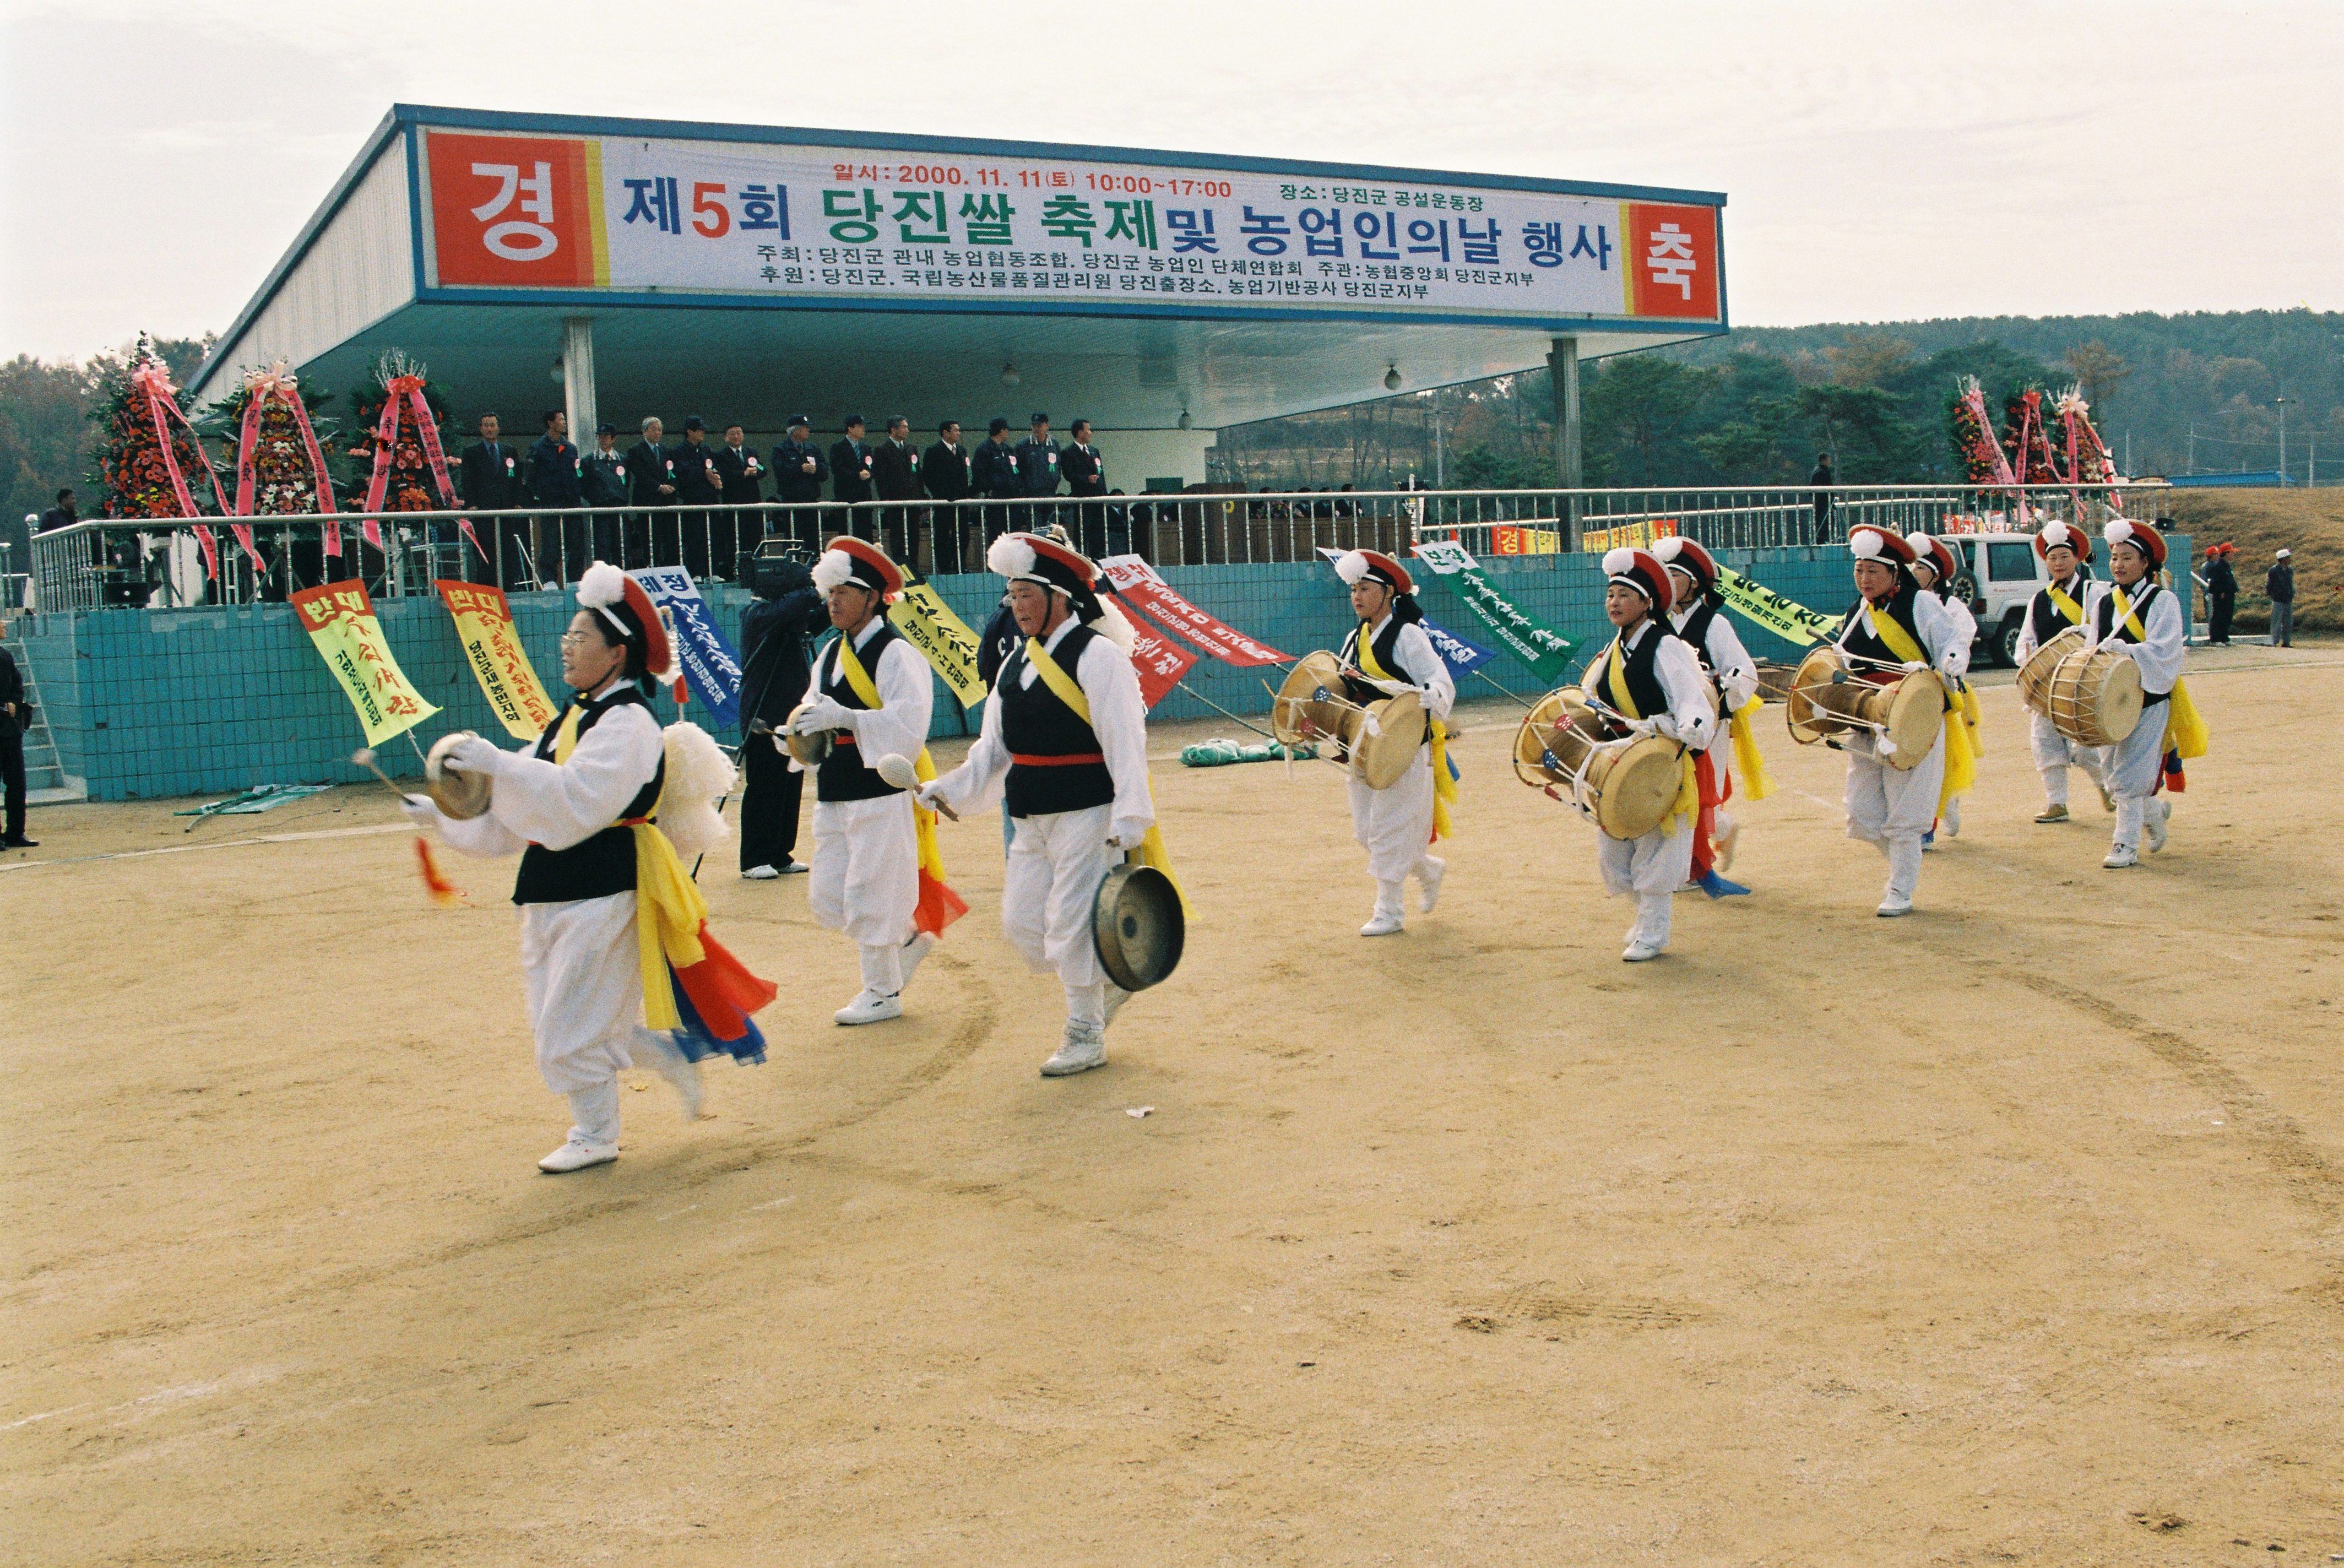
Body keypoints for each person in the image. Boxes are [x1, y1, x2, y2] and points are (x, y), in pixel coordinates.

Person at [403, 562, 777, 1172]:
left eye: (581, 638)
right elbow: (523, 803)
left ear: (617, 653)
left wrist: (499, 763)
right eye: (567, 637)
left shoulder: (628, 723)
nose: (567, 647)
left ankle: (595, 1134)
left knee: (569, 1022)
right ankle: (668, 1060)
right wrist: (447, 811)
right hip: (552, 886)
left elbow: (578, 802)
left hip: (605, 887)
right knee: (564, 1012)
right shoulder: (574, 716)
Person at [919, 532, 1163, 1076]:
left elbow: (1126, 740)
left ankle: (1084, 1033)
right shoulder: (1012, 665)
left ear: (1060, 597)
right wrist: (949, 788)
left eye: (1025, 594)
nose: (1015, 606)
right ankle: (1105, 980)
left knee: (1073, 922)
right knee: (1023, 925)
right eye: (1011, 595)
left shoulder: (1100, 658)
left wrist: (1129, 818)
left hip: (1087, 808)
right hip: (1029, 812)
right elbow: (993, 749)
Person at [791, 536, 967, 1023]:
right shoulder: (828, 654)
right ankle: (909, 937)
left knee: (872, 888)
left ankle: (883, 992)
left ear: (872, 597)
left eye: (843, 592)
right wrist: (795, 732)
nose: (833, 602)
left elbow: (909, 725)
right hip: (834, 786)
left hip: (878, 786)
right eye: (829, 594)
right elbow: (811, 711)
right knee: (829, 892)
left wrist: (847, 716)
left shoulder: (896, 654)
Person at [1574, 549, 1716, 959]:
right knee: (1617, 847)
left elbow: (1693, 702)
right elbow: (1592, 695)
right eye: (1610, 594)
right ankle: (1644, 920)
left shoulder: (1667, 645)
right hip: (1622, 759)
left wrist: (1681, 727)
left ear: (1647, 602)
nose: (1614, 602)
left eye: (1624, 594)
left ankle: (1654, 930)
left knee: (1657, 845)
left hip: (1659, 760)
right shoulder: (1614, 648)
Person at [1327, 549, 1456, 936]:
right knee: (1366, 832)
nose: (1357, 597)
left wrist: (1427, 694)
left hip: (1402, 744)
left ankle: (1389, 911)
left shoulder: (1408, 635)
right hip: (1364, 745)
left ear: (1387, 593)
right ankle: (1427, 868)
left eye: (1365, 588)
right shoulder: (1354, 638)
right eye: (1353, 589)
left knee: (1387, 828)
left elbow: (1440, 681)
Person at [1832, 528, 1958, 917]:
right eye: (1859, 570)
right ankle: (1902, 868)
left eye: (1873, 570)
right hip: (1867, 719)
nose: (1865, 579)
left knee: (1905, 811)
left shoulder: (1920, 602)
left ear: (1894, 572)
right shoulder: (1857, 611)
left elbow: (1952, 643)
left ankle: (1901, 886)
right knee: (1863, 811)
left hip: (1911, 719)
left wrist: (1945, 666)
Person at [2090, 519, 2207, 869]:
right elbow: (2094, 648)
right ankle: (2154, 813)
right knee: (2111, 769)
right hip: (2113, 701)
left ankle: (2125, 844)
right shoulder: (2103, 602)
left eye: (2127, 557)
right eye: (2114, 558)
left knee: (2129, 774)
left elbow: (2167, 650)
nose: (2119, 565)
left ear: (2145, 564)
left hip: (2150, 698)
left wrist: (2125, 651)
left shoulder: (2163, 600)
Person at [1653, 535, 1766, 880]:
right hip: (1668, 724)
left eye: (1674, 575)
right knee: (1670, 792)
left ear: (1694, 583)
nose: (1668, 582)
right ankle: (1719, 833)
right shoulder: (1654, 622)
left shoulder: (1715, 624)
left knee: (1702, 795)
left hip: (1709, 725)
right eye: (1663, 575)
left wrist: (1722, 683)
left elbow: (1745, 672)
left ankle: (1694, 866)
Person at [2012, 520, 2110, 824]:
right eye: (2052, 558)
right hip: (2046, 684)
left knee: (2085, 749)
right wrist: (2028, 658)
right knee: (2044, 742)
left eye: (2064, 556)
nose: (2058, 563)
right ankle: (2057, 803)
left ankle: (2107, 789)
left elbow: (2104, 629)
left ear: (2077, 558)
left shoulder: (2095, 591)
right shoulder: (2038, 599)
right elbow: (2026, 639)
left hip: (2082, 681)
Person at [736, 554, 823, 879]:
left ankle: (780, 854)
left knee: (790, 783)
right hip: (763, 715)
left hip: (791, 714)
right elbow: (790, 607)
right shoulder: (757, 614)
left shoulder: (786, 617)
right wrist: (817, 586)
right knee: (765, 786)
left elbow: (817, 619)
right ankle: (754, 858)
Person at [1904, 533, 1983, 847]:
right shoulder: (1900, 604)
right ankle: (1921, 819)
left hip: (1944, 691)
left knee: (1943, 755)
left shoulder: (1952, 606)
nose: (1912, 574)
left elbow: (1959, 644)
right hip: (1907, 690)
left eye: (1919, 568)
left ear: (1935, 574)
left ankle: (1942, 809)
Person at [457, 413, 529, 585]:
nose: (490, 429)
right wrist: (472, 504)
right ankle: (488, 586)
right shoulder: (472, 452)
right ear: (481, 429)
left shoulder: (509, 451)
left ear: (498, 428)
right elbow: (467, 480)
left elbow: (517, 480)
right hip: (483, 509)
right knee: (486, 550)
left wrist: (518, 502)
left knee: (508, 548)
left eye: (493, 425)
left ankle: (509, 585)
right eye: (486, 425)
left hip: (506, 509)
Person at [524, 411, 584, 586]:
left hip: (572, 503)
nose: (564, 422)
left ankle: (574, 581)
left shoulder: (571, 448)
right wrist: (541, 497)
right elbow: (530, 478)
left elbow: (577, 474)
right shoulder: (538, 448)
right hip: (550, 504)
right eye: (561, 420)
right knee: (551, 545)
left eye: (565, 419)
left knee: (576, 544)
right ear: (551, 423)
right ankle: (549, 580)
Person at [670, 416, 724, 576]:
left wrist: (716, 478)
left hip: (710, 499)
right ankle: (696, 572)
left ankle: (713, 572)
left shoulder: (706, 450)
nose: (703, 433)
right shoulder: (679, 451)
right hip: (693, 500)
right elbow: (682, 472)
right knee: (695, 538)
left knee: (714, 536)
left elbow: (715, 468)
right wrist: (703, 473)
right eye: (699, 430)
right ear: (689, 431)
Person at [921, 419, 975, 569]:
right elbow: (927, 475)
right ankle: (944, 566)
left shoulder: (962, 451)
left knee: (963, 534)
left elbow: (966, 474)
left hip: (961, 500)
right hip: (943, 501)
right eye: (955, 430)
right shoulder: (933, 451)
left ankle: (960, 564)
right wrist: (941, 493)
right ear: (945, 432)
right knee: (943, 534)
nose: (959, 433)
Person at [624, 417, 674, 571]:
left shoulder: (666, 450)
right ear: (644, 432)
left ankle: (667, 567)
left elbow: (672, 472)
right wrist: (658, 487)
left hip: (665, 502)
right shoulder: (635, 451)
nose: (658, 433)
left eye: (660, 430)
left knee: (668, 537)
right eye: (654, 429)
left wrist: (671, 486)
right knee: (649, 537)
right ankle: (649, 566)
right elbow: (640, 474)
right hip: (647, 500)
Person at [871, 415, 922, 565]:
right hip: (894, 498)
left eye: (907, 427)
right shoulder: (882, 450)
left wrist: (920, 495)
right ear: (893, 429)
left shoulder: (911, 448)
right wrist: (886, 499)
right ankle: (900, 564)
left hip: (912, 498)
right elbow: (881, 478)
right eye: (903, 427)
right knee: (897, 534)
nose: (907, 430)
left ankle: (914, 564)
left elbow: (917, 473)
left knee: (914, 533)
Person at [772, 414, 828, 548]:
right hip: (791, 502)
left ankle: (814, 566)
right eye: (804, 428)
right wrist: (800, 469)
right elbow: (780, 472)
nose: (808, 431)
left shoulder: (812, 448)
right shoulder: (780, 450)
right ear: (794, 430)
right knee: (792, 538)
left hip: (811, 501)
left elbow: (825, 471)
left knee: (814, 539)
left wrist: (816, 470)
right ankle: (792, 565)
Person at [712, 422, 765, 562]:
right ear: (726, 437)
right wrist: (743, 474)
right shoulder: (721, 455)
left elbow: (763, 469)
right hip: (734, 502)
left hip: (753, 501)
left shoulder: (750, 452)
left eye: (739, 433)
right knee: (736, 539)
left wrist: (755, 472)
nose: (736, 436)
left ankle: (756, 565)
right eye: (733, 434)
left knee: (754, 537)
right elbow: (725, 475)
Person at [0, 623, 32, 849]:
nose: (4, 626)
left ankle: (15, 833)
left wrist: (14, 703)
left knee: (17, 782)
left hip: (9, 730)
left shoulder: (5, 655)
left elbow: (18, 684)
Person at [971, 417, 1022, 548]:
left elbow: (1015, 470)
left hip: (1011, 498)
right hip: (995, 500)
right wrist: (989, 489)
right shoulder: (984, 450)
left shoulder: (1008, 450)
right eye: (1006, 430)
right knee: (996, 533)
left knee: (1013, 532)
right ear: (1001, 431)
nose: (1008, 433)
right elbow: (978, 474)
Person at [581, 424, 627, 566]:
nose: (603, 439)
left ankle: (621, 578)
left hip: (619, 508)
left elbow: (626, 482)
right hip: (600, 508)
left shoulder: (622, 460)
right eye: (600, 436)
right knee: (602, 547)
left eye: (606, 436)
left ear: (613, 439)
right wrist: (597, 497)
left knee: (621, 546)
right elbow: (584, 485)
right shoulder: (589, 461)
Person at [1062, 419, 1106, 556]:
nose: (1090, 433)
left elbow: (1101, 473)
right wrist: (1086, 479)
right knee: (1082, 532)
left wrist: (1104, 494)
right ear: (1080, 432)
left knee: (1098, 532)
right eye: (1088, 429)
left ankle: (1098, 558)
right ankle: (1080, 558)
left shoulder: (1094, 451)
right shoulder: (1069, 452)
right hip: (1082, 498)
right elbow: (1069, 475)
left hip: (1098, 499)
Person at [1014, 412, 1063, 534]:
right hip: (1031, 495)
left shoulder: (1054, 444)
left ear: (1047, 426)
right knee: (1035, 528)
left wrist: (1055, 481)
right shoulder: (1023, 445)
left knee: (1051, 528)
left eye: (1040, 426)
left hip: (1050, 494)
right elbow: (1016, 470)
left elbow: (1058, 466)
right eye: (1034, 426)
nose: (1037, 429)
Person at [831, 415, 875, 536]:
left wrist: (869, 474)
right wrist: (857, 476)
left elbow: (872, 467)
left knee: (866, 535)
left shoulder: (866, 448)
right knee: (849, 534)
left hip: (864, 497)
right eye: (860, 427)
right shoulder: (838, 448)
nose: (863, 429)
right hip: (847, 497)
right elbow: (838, 470)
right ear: (850, 428)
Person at [2198, 544, 2238, 645]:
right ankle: (2215, 639)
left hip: (2229, 595)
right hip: (2221, 596)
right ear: (2227, 553)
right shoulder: (2218, 566)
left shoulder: (2226, 565)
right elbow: (2215, 583)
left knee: (2227, 617)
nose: (2233, 555)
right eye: (2232, 552)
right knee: (2218, 616)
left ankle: (2224, 637)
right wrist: (2220, 592)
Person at [2266, 548, 2294, 647]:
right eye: (2288, 558)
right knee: (2277, 621)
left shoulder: (2290, 570)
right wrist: (2274, 595)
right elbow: (2269, 585)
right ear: (2283, 559)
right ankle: (2274, 641)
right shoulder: (2274, 570)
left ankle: (2286, 642)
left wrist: (2291, 593)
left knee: (2288, 622)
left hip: (2288, 598)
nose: (2289, 560)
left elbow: (2290, 584)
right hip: (2278, 599)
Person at [1809, 452, 1835, 544]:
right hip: (1822, 502)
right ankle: (1820, 540)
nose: (1829, 462)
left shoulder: (1822, 470)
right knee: (1822, 521)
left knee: (1826, 520)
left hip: (1824, 501)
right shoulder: (1820, 472)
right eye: (1828, 460)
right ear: (1823, 461)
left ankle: (1822, 539)